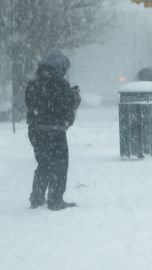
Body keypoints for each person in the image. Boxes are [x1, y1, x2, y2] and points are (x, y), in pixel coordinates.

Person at [25, 49, 81, 211]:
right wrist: (75, 96)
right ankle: (56, 200)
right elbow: (64, 106)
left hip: (36, 130)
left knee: (43, 164)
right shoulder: (60, 83)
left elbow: (30, 104)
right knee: (59, 166)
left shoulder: (33, 82)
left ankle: (36, 198)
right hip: (54, 131)